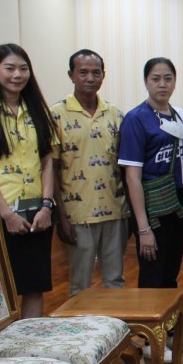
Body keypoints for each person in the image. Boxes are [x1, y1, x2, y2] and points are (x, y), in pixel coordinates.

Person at [0, 43, 58, 318]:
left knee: (34, 286)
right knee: (1, 289)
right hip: (0, 213)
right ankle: (7, 345)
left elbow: (47, 162)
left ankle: (30, 342)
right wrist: (6, 213)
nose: (17, 75)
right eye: (10, 68)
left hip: (37, 211)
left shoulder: (39, 113)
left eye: (23, 69)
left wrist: (47, 206)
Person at [119, 57, 183, 362]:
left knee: (170, 274)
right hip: (151, 206)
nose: (162, 84)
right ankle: (147, 340)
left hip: (178, 204)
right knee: (152, 275)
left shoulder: (182, 117)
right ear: (146, 82)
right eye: (156, 78)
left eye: (168, 78)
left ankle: (170, 334)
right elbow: (132, 176)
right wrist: (143, 228)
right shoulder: (136, 119)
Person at [51, 49, 128, 297]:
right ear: (71, 75)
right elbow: (51, 170)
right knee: (80, 285)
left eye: (96, 73)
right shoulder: (56, 115)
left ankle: (114, 323)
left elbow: (125, 167)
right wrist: (61, 217)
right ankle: (82, 325)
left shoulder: (115, 114)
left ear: (103, 76)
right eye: (83, 72)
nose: (90, 78)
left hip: (115, 211)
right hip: (77, 215)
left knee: (115, 281)